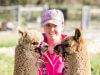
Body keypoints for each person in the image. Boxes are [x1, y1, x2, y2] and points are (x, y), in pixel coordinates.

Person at [38, 9, 67, 75]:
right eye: (48, 25)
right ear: (44, 27)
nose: (51, 30)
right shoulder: (36, 46)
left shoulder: (70, 47)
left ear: (62, 26)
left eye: (55, 25)